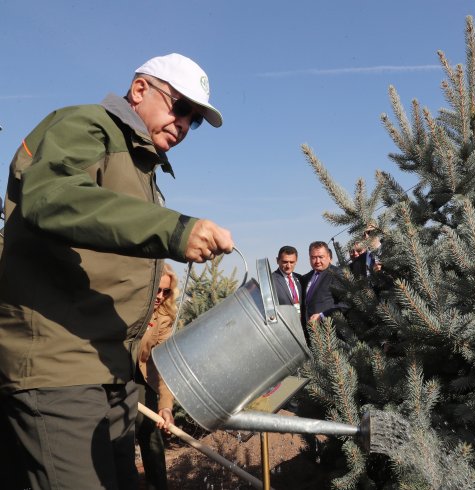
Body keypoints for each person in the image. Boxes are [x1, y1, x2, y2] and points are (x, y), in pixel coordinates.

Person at [0, 53, 234, 490]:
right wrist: (175, 230)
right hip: (61, 369)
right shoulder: (85, 126)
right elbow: (50, 195)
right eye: (179, 107)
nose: (184, 124)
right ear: (140, 89)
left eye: (194, 120)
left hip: (111, 373)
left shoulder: (141, 164)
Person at [135, 264, 178, 490]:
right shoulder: (128, 308)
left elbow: (164, 363)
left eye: (166, 292)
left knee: (152, 436)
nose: (160, 296)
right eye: (157, 290)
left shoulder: (163, 318)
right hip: (114, 377)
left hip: (143, 378)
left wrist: (166, 406)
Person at [302, 241, 348, 327]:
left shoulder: (337, 274)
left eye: (321, 257)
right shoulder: (306, 277)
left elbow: (346, 303)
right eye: (313, 257)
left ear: (328, 257)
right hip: (309, 330)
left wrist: (323, 315)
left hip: (329, 330)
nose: (317, 261)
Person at [272, 245, 303, 317]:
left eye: (292, 262)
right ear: (277, 260)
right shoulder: (271, 280)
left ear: (296, 261)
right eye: (285, 262)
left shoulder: (301, 279)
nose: (288, 266)